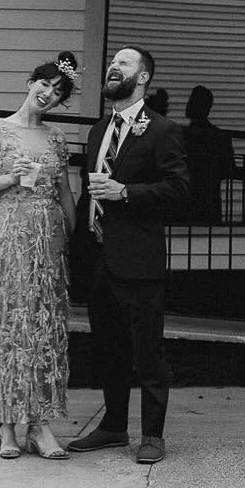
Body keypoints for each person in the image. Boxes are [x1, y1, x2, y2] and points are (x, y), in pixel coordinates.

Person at [69, 46, 189, 464]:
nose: (112, 67)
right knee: (108, 347)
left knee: (147, 352)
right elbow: (89, 192)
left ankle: (152, 435)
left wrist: (126, 192)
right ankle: (114, 427)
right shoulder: (98, 131)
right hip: (100, 257)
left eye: (122, 63)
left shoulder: (162, 130)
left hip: (139, 260)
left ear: (142, 78)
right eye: (111, 63)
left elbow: (179, 190)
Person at [0, 51, 78, 460]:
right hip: (12, 231)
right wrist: (9, 177)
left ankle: (41, 424)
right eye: (44, 84)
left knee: (46, 327)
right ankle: (7, 423)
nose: (48, 93)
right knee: (14, 324)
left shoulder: (56, 137)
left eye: (58, 91)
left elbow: (66, 192)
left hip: (48, 233)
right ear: (30, 83)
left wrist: (71, 233)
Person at [184, 84, 235, 222]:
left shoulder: (182, 136)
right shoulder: (219, 136)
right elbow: (229, 167)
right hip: (210, 198)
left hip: (187, 199)